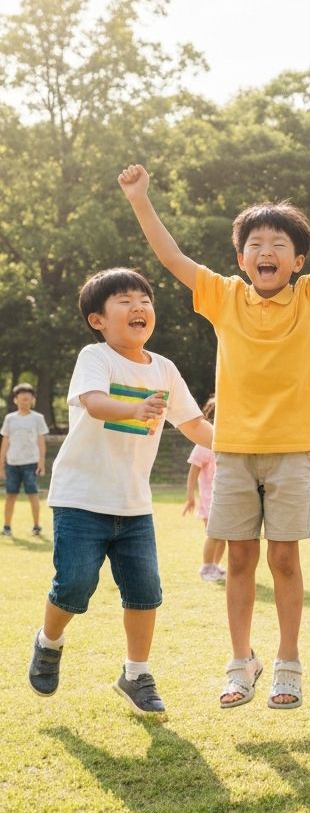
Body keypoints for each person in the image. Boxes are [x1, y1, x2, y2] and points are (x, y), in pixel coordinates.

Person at [119, 149, 310, 710]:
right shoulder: (223, 296)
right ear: (241, 257)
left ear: (297, 260)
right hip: (234, 450)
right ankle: (241, 662)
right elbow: (170, 257)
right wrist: (140, 199)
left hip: (292, 452)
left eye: (278, 245)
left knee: (286, 561)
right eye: (255, 244)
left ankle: (288, 664)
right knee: (238, 560)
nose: (266, 251)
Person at [27, 268, 211, 713]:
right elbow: (94, 402)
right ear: (98, 319)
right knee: (73, 585)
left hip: (134, 505)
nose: (139, 308)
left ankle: (136, 674)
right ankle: (49, 642)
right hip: (80, 499)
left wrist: (251, 444)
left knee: (145, 592)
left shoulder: (164, 368)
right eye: (125, 301)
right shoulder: (97, 357)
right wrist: (136, 407)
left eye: (145, 300)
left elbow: (193, 424)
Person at [182, 396, 225, 581]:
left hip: (225, 497)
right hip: (210, 499)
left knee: (223, 535)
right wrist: (190, 496)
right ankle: (206, 567)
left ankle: (215, 566)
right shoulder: (206, 441)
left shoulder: (228, 439)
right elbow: (193, 471)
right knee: (214, 533)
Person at [2, 382, 49, 537]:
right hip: (12, 463)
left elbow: (41, 441)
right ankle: (7, 527)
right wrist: (1, 464)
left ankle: (36, 526)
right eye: (22, 399)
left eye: (28, 399)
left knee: (32, 495)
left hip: (31, 463)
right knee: (10, 495)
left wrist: (41, 461)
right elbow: (6, 441)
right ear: (16, 400)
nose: (25, 402)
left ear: (32, 400)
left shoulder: (38, 418)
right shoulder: (10, 419)